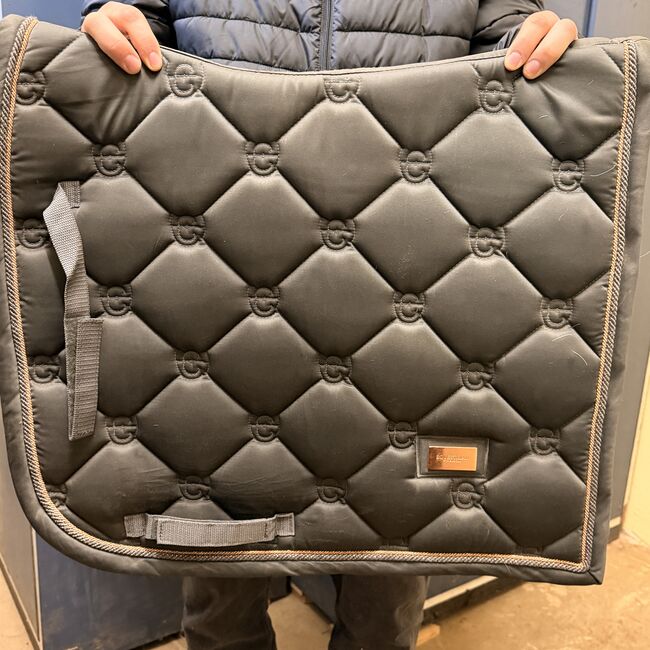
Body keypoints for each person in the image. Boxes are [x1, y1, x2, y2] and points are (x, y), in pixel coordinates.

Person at [79, 2, 578, 649]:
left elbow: (504, 38)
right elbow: (140, 27)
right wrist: (115, 21)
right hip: (222, 285)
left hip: (408, 285)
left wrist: (529, 40)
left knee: (389, 583)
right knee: (219, 572)